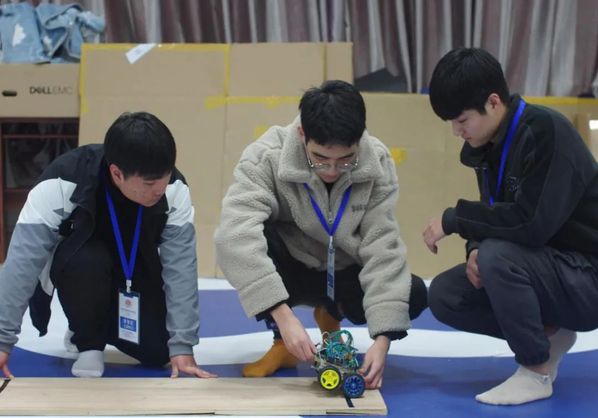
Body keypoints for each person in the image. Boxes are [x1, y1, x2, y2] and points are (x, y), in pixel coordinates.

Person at [215, 80, 427, 389]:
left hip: (344, 272)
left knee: (414, 292)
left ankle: (331, 314)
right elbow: (232, 236)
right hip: (293, 269)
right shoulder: (266, 156)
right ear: (302, 134)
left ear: (360, 139)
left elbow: (382, 246)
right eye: (320, 159)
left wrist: (383, 340)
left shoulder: (377, 161)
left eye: (346, 160)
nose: (331, 171)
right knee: (248, 239)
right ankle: (283, 343)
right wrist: (283, 316)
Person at [423, 47, 598, 405]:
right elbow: (496, 212)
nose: (456, 131)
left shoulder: (545, 132)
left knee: (497, 256)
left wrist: (454, 219)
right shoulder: (488, 145)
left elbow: (531, 224)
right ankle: (550, 335)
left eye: (462, 120)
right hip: (548, 269)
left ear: (493, 102)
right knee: (446, 294)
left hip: (587, 278)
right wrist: (474, 249)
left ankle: (536, 371)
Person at [0, 112, 215, 379]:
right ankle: (87, 340)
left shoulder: (174, 188)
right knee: (87, 260)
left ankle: (101, 323)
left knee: (159, 351)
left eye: (165, 176)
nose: (159, 189)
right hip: (81, 268)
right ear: (116, 173)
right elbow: (22, 261)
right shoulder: (62, 180)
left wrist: (182, 346)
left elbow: (181, 267)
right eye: (149, 183)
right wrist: (2, 339)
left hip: (135, 272)